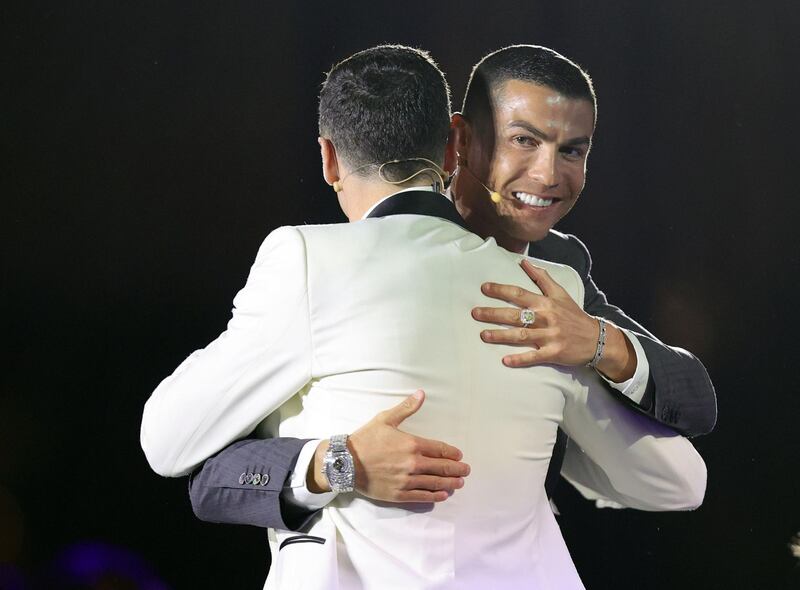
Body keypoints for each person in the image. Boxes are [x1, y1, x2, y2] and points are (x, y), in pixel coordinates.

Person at [140, 45, 706, 589]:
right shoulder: (546, 294)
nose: (546, 174)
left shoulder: (311, 263)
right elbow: (681, 480)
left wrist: (601, 345)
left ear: (329, 158)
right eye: (524, 141)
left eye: (571, 151)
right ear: (454, 149)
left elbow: (167, 443)